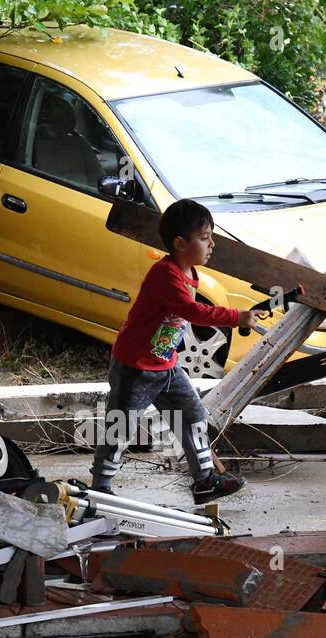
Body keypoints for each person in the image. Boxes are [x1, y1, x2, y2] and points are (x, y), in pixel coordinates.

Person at [90, 199, 264, 503]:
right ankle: (100, 487)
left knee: (193, 414)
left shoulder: (190, 274)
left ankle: (205, 481)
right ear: (180, 243)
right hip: (136, 368)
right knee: (121, 427)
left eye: (211, 237)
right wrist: (238, 316)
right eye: (205, 237)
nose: (212, 244)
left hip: (166, 367)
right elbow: (193, 311)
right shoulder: (165, 275)